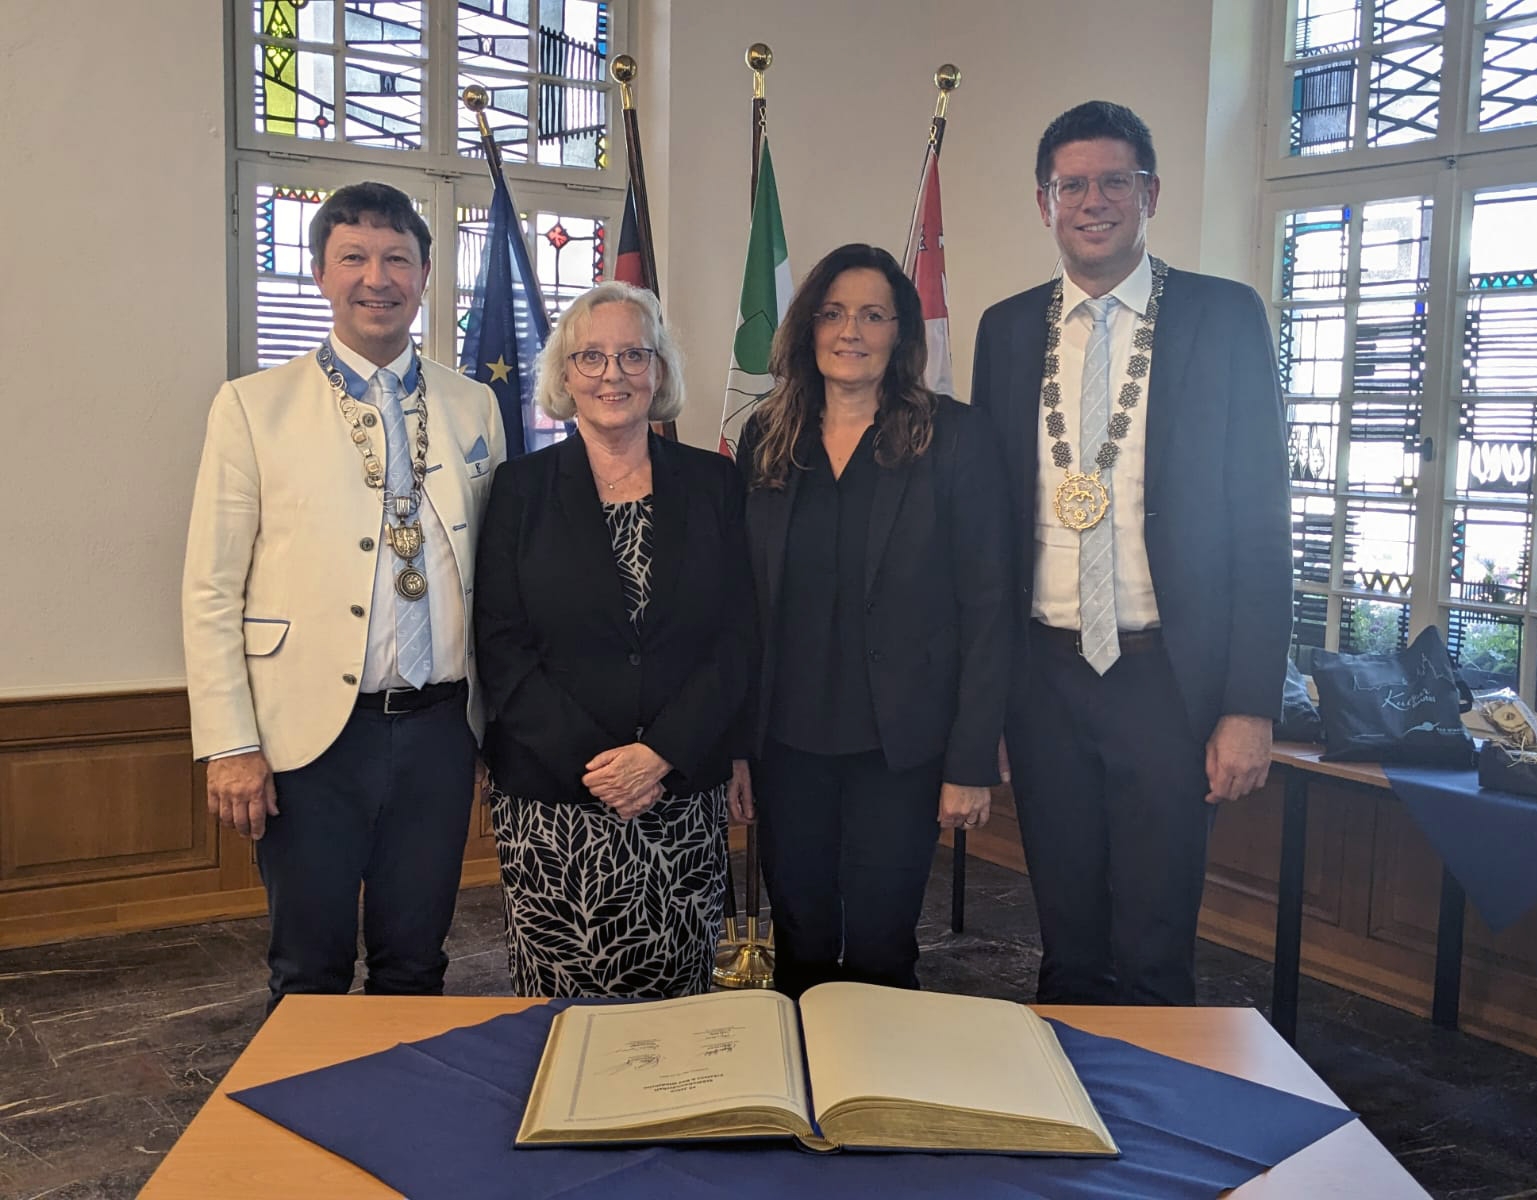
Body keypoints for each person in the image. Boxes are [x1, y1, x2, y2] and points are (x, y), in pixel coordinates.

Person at [970, 101, 1292, 1006]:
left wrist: (1248, 706)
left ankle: (1153, 1124)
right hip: (1043, 678)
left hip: (1167, 681)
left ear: (1149, 193)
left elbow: (1265, 525)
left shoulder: (1223, 318)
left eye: (1115, 181)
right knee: (1065, 936)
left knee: (1154, 945)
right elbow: (990, 536)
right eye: (1072, 185)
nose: (1094, 201)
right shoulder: (1005, 331)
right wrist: (983, 702)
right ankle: (1066, 1119)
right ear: (1045, 203)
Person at [182, 181, 507, 1010]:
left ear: (426, 274)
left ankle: (399, 1130)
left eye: (397, 258)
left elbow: (501, 574)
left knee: (416, 963)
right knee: (309, 971)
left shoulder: (474, 404)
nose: (378, 277)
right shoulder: (254, 407)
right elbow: (212, 588)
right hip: (308, 741)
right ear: (321, 272)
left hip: (439, 733)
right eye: (354, 257)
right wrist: (229, 742)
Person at [732, 243, 1011, 999]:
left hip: (904, 747)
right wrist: (737, 750)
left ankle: (875, 1106)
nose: (850, 330)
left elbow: (988, 606)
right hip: (787, 741)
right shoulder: (767, 438)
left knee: (885, 943)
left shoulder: (953, 438)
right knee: (801, 936)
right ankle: (800, 1105)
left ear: (901, 333)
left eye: (872, 314)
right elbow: (741, 605)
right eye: (833, 312)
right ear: (806, 326)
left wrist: (970, 759)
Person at [473, 281, 755, 998]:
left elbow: (738, 635)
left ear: (659, 372)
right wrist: (600, 765)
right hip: (556, 800)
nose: (613, 374)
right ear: (565, 376)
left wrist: (659, 755)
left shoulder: (715, 484)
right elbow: (502, 647)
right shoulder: (519, 489)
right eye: (591, 357)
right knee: (562, 1011)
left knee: (674, 1006)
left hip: (678, 791)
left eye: (634, 355)